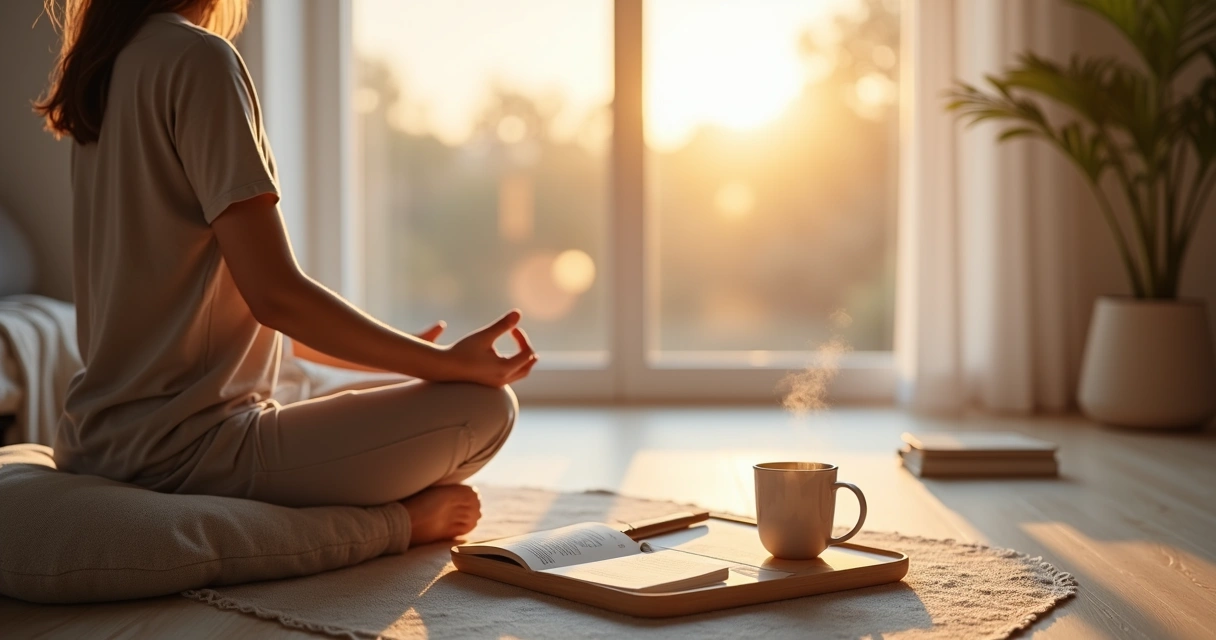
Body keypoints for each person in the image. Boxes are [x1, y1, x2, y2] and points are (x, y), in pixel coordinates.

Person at [35, 0, 536, 547]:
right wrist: (439, 363)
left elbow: (246, 319)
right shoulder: (199, 58)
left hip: (98, 436)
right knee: (485, 409)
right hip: (184, 450)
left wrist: (404, 355)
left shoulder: (104, 71)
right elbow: (275, 297)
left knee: (323, 379)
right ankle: (393, 524)